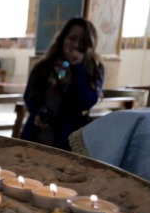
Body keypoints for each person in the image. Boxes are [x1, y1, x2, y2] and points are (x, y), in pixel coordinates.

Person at [21, 17, 104, 151]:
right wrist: (37, 112)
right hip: (37, 134)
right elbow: (29, 95)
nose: (76, 45)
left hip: (67, 138)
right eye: (72, 38)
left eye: (82, 41)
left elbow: (86, 101)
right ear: (63, 39)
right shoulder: (44, 66)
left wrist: (78, 68)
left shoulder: (94, 70)